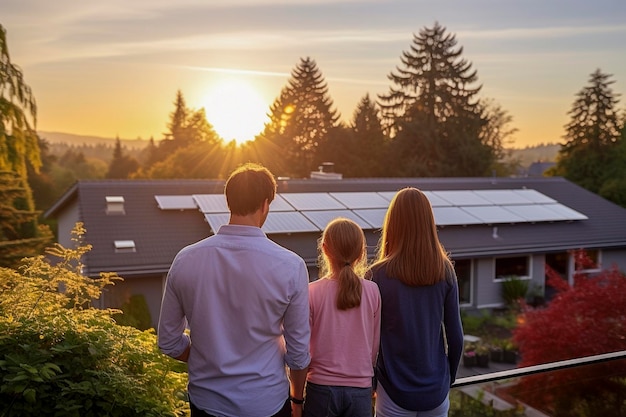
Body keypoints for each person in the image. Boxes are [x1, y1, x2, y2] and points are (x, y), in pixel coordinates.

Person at [157, 163, 311, 417]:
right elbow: (297, 355)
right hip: (267, 403)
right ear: (265, 204)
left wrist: (206, 357)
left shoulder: (186, 260)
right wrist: (298, 400)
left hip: (207, 402)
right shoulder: (290, 266)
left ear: (230, 202)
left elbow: (169, 342)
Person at [369, 188, 464, 417]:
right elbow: (456, 337)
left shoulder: (376, 276)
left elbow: (366, 340)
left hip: (392, 394)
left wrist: (372, 383)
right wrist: (446, 379)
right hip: (436, 394)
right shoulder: (445, 271)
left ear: (393, 222)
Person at [304, 217, 381, 417]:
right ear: (361, 252)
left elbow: (301, 346)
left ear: (324, 249)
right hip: (361, 390)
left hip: (320, 389)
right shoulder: (373, 291)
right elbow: (373, 348)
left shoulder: (311, 292)